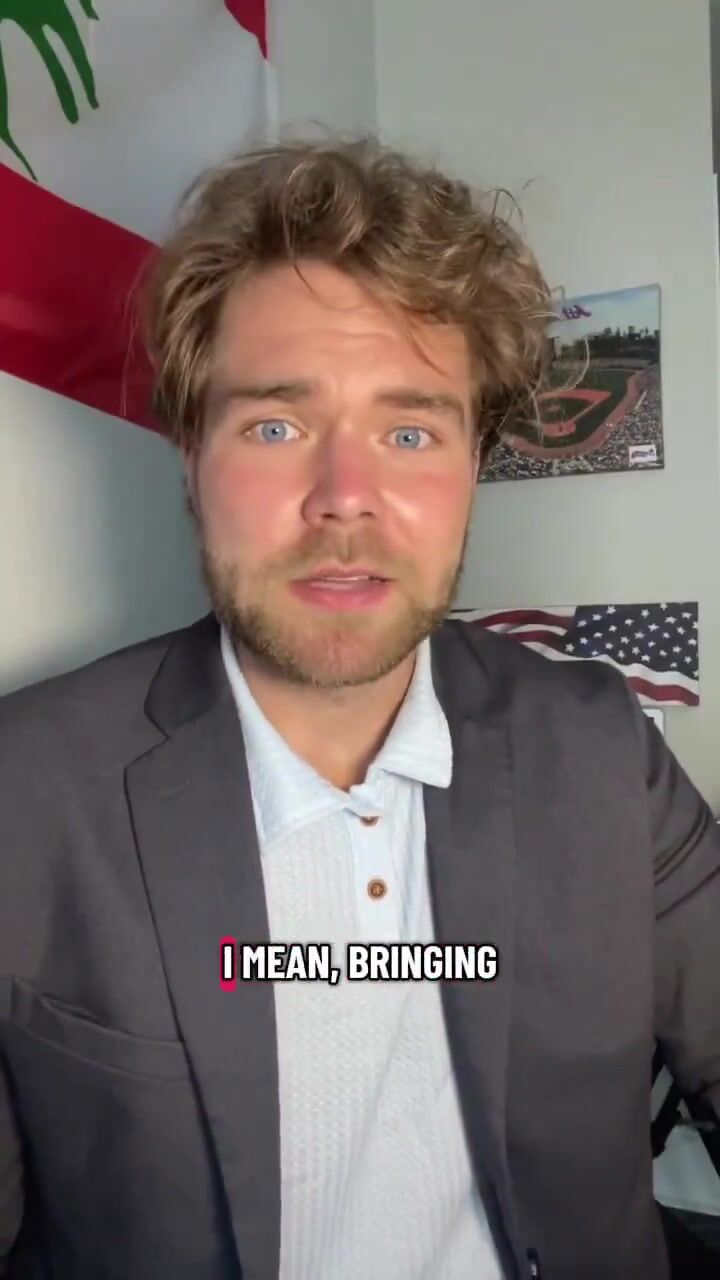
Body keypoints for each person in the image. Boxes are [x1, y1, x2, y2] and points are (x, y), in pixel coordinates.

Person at [1, 137, 718, 1280]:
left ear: (474, 464)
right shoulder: (25, 790)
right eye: (276, 425)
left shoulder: (597, 745)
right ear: (190, 458)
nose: (345, 498)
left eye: (410, 431)